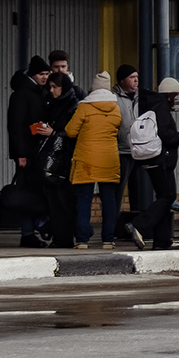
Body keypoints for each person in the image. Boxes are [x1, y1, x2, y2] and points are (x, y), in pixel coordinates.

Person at [126, 78, 179, 251]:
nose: (176, 99)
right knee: (168, 197)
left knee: (163, 198)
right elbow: (167, 135)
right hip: (162, 160)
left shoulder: (149, 105)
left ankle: (163, 240)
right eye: (175, 95)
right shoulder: (162, 108)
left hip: (149, 158)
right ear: (170, 95)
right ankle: (139, 225)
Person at [65, 72, 122, 248]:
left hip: (86, 159)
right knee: (109, 200)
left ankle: (82, 240)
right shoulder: (116, 107)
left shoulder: (84, 107)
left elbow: (70, 131)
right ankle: (108, 239)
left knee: (84, 199)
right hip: (109, 158)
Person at [7, 55, 51, 246]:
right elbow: (16, 126)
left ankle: (35, 228)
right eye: (42, 74)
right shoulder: (23, 94)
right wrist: (20, 154)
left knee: (36, 192)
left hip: (38, 151)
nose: (45, 77)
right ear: (33, 75)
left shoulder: (39, 92)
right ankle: (27, 233)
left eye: (47, 73)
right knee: (27, 193)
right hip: (28, 152)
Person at [37, 70, 80, 248]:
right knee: (54, 201)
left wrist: (54, 133)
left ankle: (65, 237)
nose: (52, 90)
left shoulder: (73, 106)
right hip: (54, 161)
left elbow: (74, 133)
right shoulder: (54, 104)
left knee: (64, 201)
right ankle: (59, 237)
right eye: (50, 87)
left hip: (66, 160)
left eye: (55, 87)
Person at [113, 64, 151, 223]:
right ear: (122, 80)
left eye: (137, 77)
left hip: (139, 150)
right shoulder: (113, 98)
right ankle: (113, 223)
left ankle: (136, 224)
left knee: (139, 191)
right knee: (118, 190)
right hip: (122, 151)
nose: (136, 80)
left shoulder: (141, 97)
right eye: (132, 77)